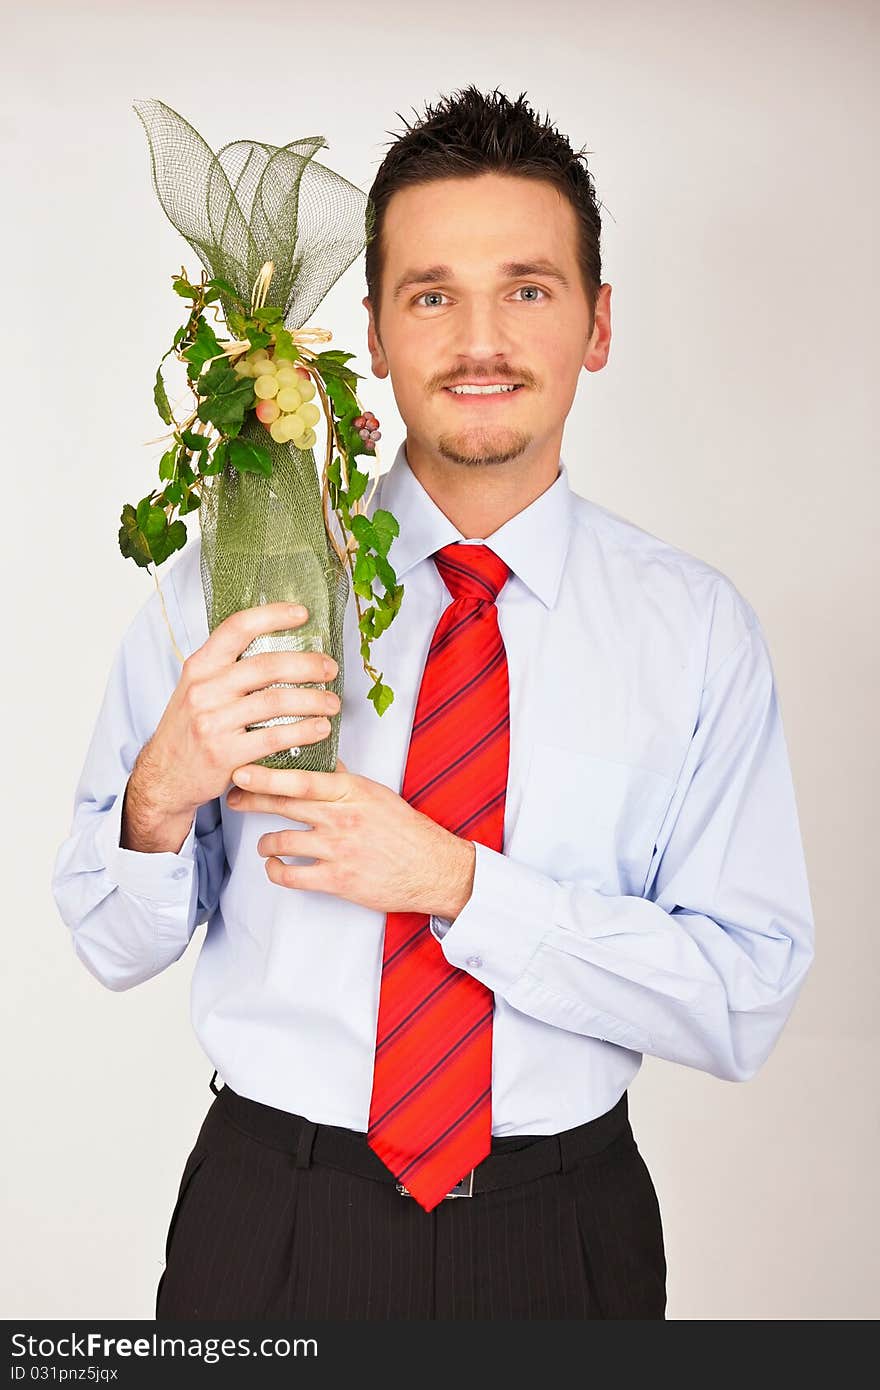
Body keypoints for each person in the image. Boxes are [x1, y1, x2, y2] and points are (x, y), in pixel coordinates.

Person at [52, 85, 815, 1321]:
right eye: (430, 294)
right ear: (372, 328)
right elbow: (108, 940)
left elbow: (740, 997)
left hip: (564, 1233)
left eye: (527, 288)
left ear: (597, 323)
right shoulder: (231, 585)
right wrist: (160, 789)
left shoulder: (695, 632)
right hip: (275, 1220)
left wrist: (461, 886)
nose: (479, 340)